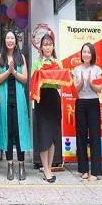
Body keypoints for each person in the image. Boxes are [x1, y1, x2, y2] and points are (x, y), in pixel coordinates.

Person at [0, 31, 31, 181]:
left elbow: (25, 79)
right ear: (5, 41)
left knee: (19, 132)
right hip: (4, 101)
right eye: (7, 38)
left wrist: (14, 72)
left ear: (16, 41)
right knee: (7, 132)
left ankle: (21, 165)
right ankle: (10, 165)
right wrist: (8, 72)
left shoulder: (21, 57)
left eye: (12, 38)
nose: (10, 40)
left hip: (19, 101)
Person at [30, 34, 62, 183]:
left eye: (50, 44)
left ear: (53, 47)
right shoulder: (37, 63)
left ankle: (48, 167)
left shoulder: (58, 62)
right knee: (44, 134)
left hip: (54, 98)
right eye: (45, 44)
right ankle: (46, 169)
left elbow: (60, 84)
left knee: (53, 134)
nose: (48, 47)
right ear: (41, 48)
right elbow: (33, 82)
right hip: (41, 98)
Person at [72, 42, 102, 181]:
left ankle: (95, 171)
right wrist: (81, 83)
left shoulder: (97, 69)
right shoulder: (76, 70)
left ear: (92, 55)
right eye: (84, 52)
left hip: (93, 103)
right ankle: (83, 169)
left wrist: (91, 83)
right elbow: (75, 90)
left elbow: (100, 89)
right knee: (81, 136)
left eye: (88, 52)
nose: (86, 54)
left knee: (95, 136)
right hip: (81, 103)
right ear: (81, 54)